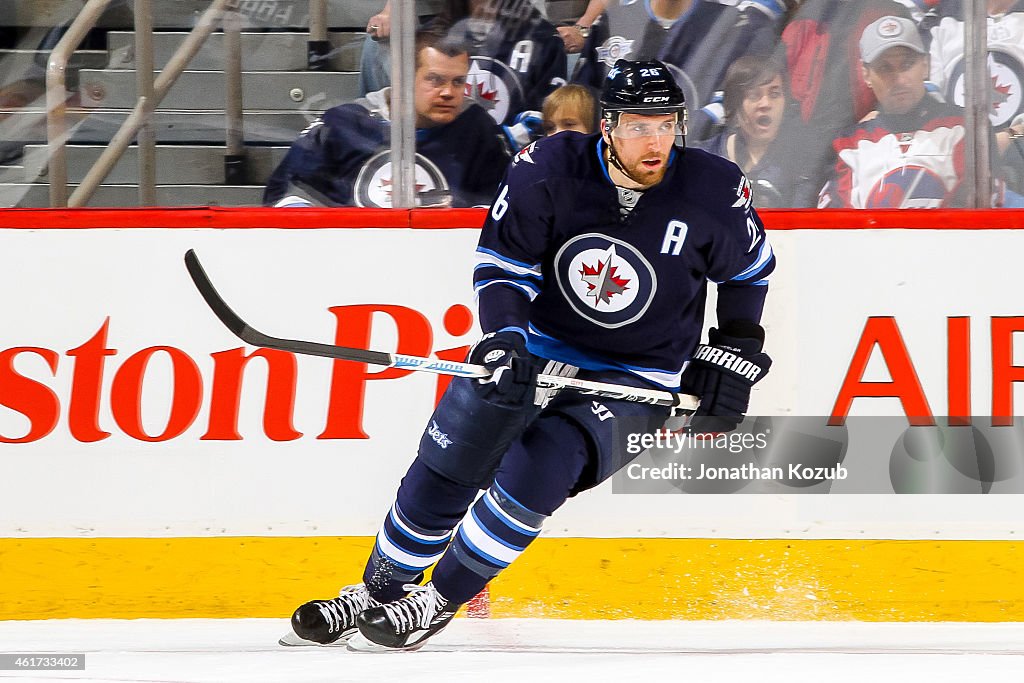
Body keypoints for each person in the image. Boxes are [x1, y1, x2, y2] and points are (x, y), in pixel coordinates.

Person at [281, 59, 776, 652]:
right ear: (609, 126)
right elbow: (503, 267)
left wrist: (736, 351)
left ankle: (438, 600)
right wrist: (505, 338)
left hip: (637, 375)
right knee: (450, 461)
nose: (657, 141)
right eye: (640, 125)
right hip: (534, 347)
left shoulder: (714, 189)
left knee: (540, 465)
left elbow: (748, 273)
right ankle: (381, 590)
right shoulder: (546, 168)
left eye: (667, 125)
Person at [264, 30, 509, 208]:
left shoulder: (475, 128)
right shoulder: (345, 124)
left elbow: (500, 205)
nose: (448, 92)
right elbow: (286, 194)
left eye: (458, 81)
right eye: (435, 80)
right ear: (402, 77)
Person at [817, 15, 1023, 208]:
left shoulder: (966, 128)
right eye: (885, 68)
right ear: (866, 74)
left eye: (906, 64)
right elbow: (835, 228)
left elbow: (974, 215)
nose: (899, 79)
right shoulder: (850, 145)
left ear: (925, 65)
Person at [775, 0, 917, 205]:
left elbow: (908, 78)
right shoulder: (802, 21)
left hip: (868, 146)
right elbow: (785, 95)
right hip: (808, 158)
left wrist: (881, 113)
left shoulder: (890, 13)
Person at [694, 56, 801, 207]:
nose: (765, 104)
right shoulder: (699, 161)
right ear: (734, 105)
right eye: (754, 95)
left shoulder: (798, 166)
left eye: (774, 94)